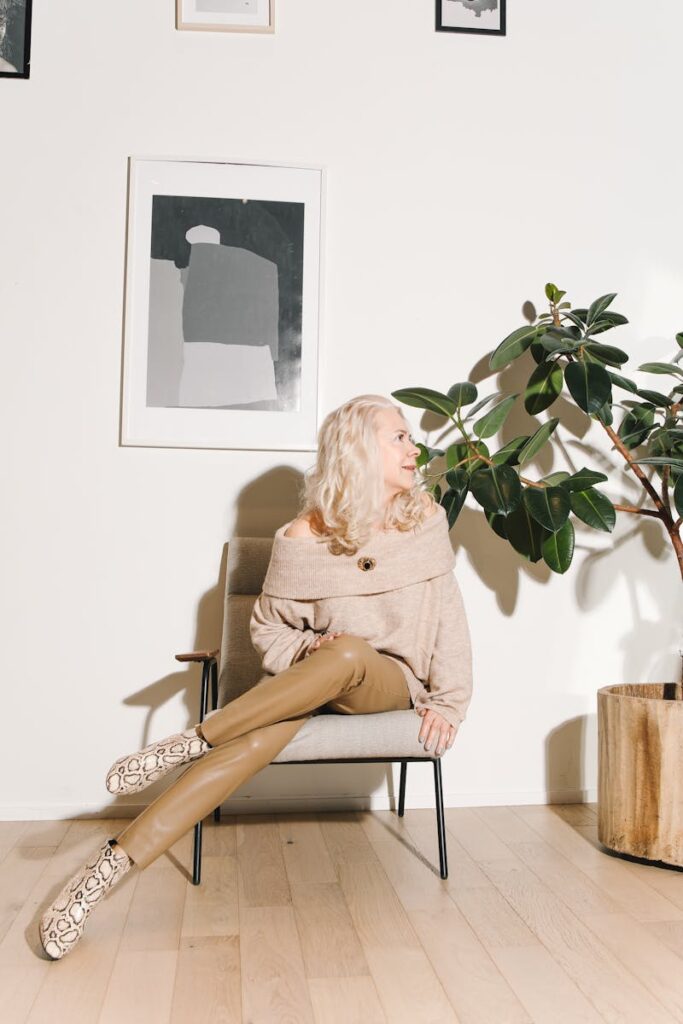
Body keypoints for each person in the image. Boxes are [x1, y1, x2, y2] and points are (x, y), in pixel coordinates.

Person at [38, 394, 473, 960]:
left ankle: (191, 740)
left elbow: (450, 617)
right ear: (360, 450)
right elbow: (268, 631)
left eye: (409, 437)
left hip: (388, 683)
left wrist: (452, 702)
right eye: (399, 437)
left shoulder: (426, 521)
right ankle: (100, 875)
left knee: (348, 657)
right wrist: (312, 644)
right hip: (309, 685)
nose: (414, 448)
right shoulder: (301, 536)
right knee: (262, 731)